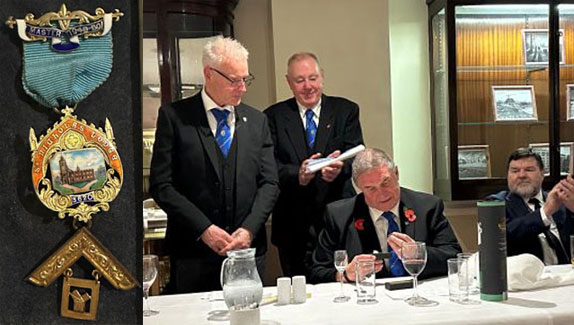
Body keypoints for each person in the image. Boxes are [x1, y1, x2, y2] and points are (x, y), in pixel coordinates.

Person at [150, 36, 279, 293]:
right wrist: (205, 229)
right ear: (209, 74)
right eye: (234, 80)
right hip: (193, 252)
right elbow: (162, 185)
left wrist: (249, 230)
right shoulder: (175, 117)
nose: (242, 87)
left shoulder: (257, 121)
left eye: (245, 79)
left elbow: (270, 183)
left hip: (248, 250)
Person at [264, 52, 364, 277]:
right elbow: (268, 167)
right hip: (292, 222)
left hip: (337, 218)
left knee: (341, 288)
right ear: (289, 82)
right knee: (297, 294)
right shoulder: (273, 117)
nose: (308, 86)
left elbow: (357, 157)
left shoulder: (345, 110)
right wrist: (297, 174)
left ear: (322, 78)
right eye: (300, 80)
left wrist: (339, 169)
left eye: (313, 78)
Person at [310, 148, 461, 283]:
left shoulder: (427, 206)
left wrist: (419, 254)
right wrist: (345, 275)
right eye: (371, 189)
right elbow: (317, 271)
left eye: (386, 182)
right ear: (359, 188)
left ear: (396, 173)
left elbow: (455, 257)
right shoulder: (339, 215)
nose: (382, 194)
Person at [487, 148, 574, 265]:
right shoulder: (496, 204)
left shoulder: (559, 199)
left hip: (570, 274)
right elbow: (502, 238)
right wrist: (545, 212)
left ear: (542, 174)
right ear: (508, 175)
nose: (521, 175)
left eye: (529, 170)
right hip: (527, 279)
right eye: (515, 171)